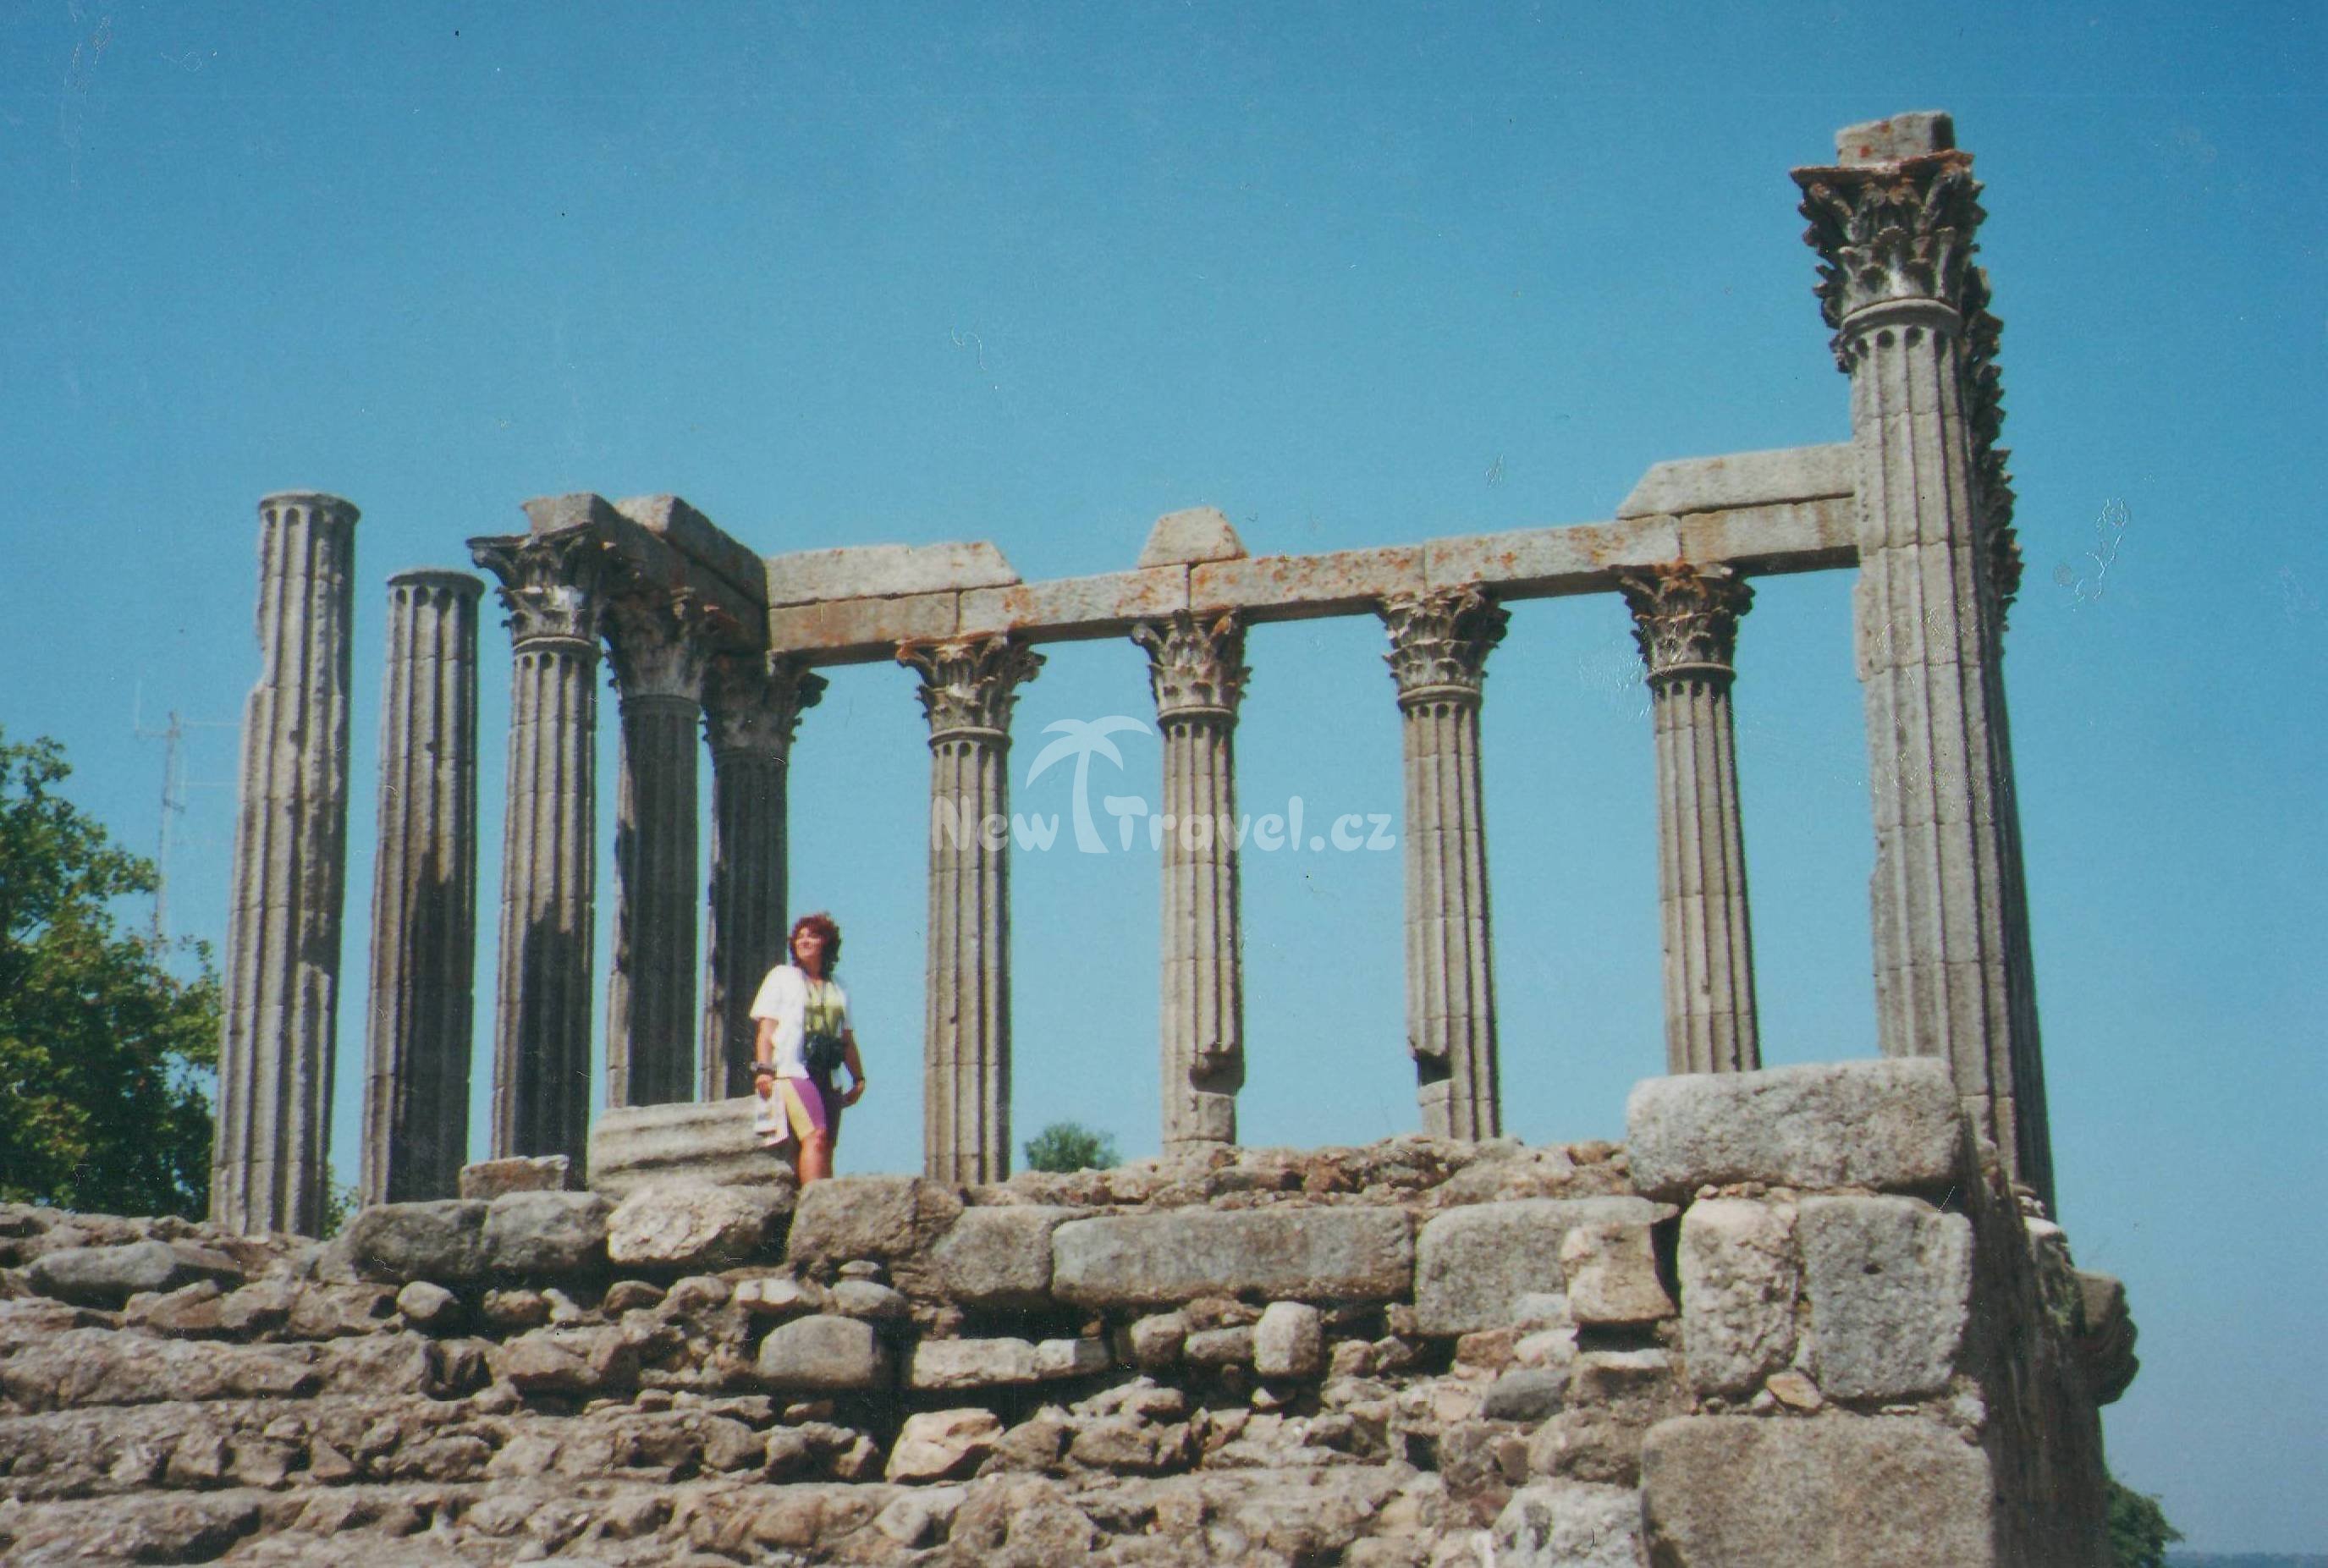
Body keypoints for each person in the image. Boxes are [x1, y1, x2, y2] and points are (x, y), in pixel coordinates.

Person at [747, 911, 867, 1185]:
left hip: (828, 1073)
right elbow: (767, 1029)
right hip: (793, 1070)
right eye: (800, 937)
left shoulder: (839, 986)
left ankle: (820, 1198)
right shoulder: (782, 977)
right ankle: (816, 1201)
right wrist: (764, 1069)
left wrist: (858, 1078)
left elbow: (846, 1037)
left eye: (812, 936)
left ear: (826, 942)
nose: (804, 941)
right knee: (816, 1136)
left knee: (827, 1145)